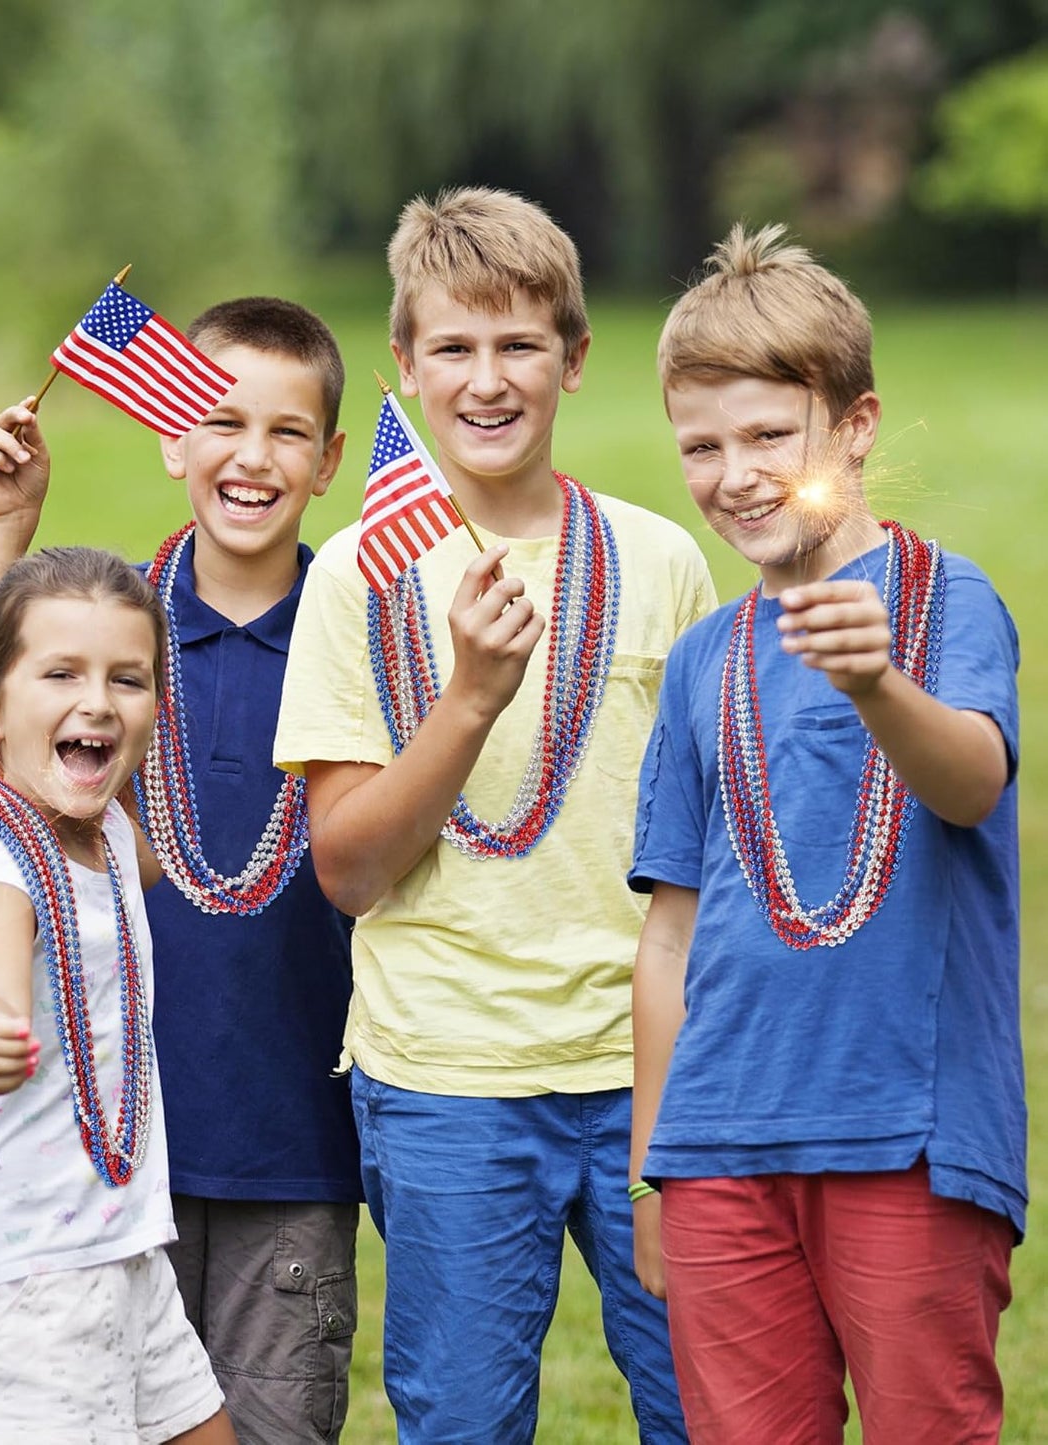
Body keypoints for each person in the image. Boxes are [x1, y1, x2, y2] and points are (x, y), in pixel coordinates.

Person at [273, 186, 713, 1443]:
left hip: (648, 1069)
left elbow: (704, 838)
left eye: (519, 344)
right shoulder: (359, 572)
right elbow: (348, 869)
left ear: (574, 360)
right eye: (452, 348)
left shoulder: (659, 559)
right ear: (403, 369)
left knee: (712, 1401)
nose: (486, 378)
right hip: (447, 1076)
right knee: (462, 1416)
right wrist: (466, 697)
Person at [0, 297, 361, 1445]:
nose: (249, 456)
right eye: (217, 419)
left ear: (327, 462)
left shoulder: (359, 619)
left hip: (291, 1138)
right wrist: (3, 527)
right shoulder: (113, 628)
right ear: (169, 435)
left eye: (285, 432)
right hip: (106, 1160)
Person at [629, 222, 1025, 1443]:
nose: (734, 473)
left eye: (766, 435)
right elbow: (666, 934)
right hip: (717, 1147)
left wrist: (877, 687)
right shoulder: (700, 661)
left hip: (902, 1133)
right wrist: (656, 1169)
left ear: (852, 426)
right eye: (701, 445)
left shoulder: (942, 598)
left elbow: (968, 779)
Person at [0, 546, 236, 1443]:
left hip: (126, 1253)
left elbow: (141, 873)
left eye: (126, 679)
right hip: (19, 1288)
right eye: (60, 673)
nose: (96, 700)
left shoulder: (110, 832)